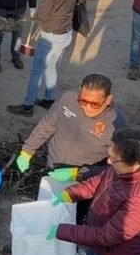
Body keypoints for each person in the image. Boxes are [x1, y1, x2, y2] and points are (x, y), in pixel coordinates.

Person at [16, 74, 125, 228]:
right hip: (52, 171)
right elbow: (47, 125)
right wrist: (27, 151)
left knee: (70, 221)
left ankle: (66, 248)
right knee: (42, 210)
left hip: (83, 184)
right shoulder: (67, 99)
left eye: (94, 104)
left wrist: (79, 174)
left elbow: (115, 168)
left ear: (107, 100)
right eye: (83, 101)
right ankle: (35, 243)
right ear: (80, 91)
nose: (86, 107)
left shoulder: (117, 126)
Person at [7, 0, 95, 116]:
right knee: (51, 66)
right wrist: (71, 3)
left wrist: (35, 15)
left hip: (51, 35)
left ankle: (28, 105)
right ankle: (49, 98)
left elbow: (44, 15)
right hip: (65, 33)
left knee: (36, 70)